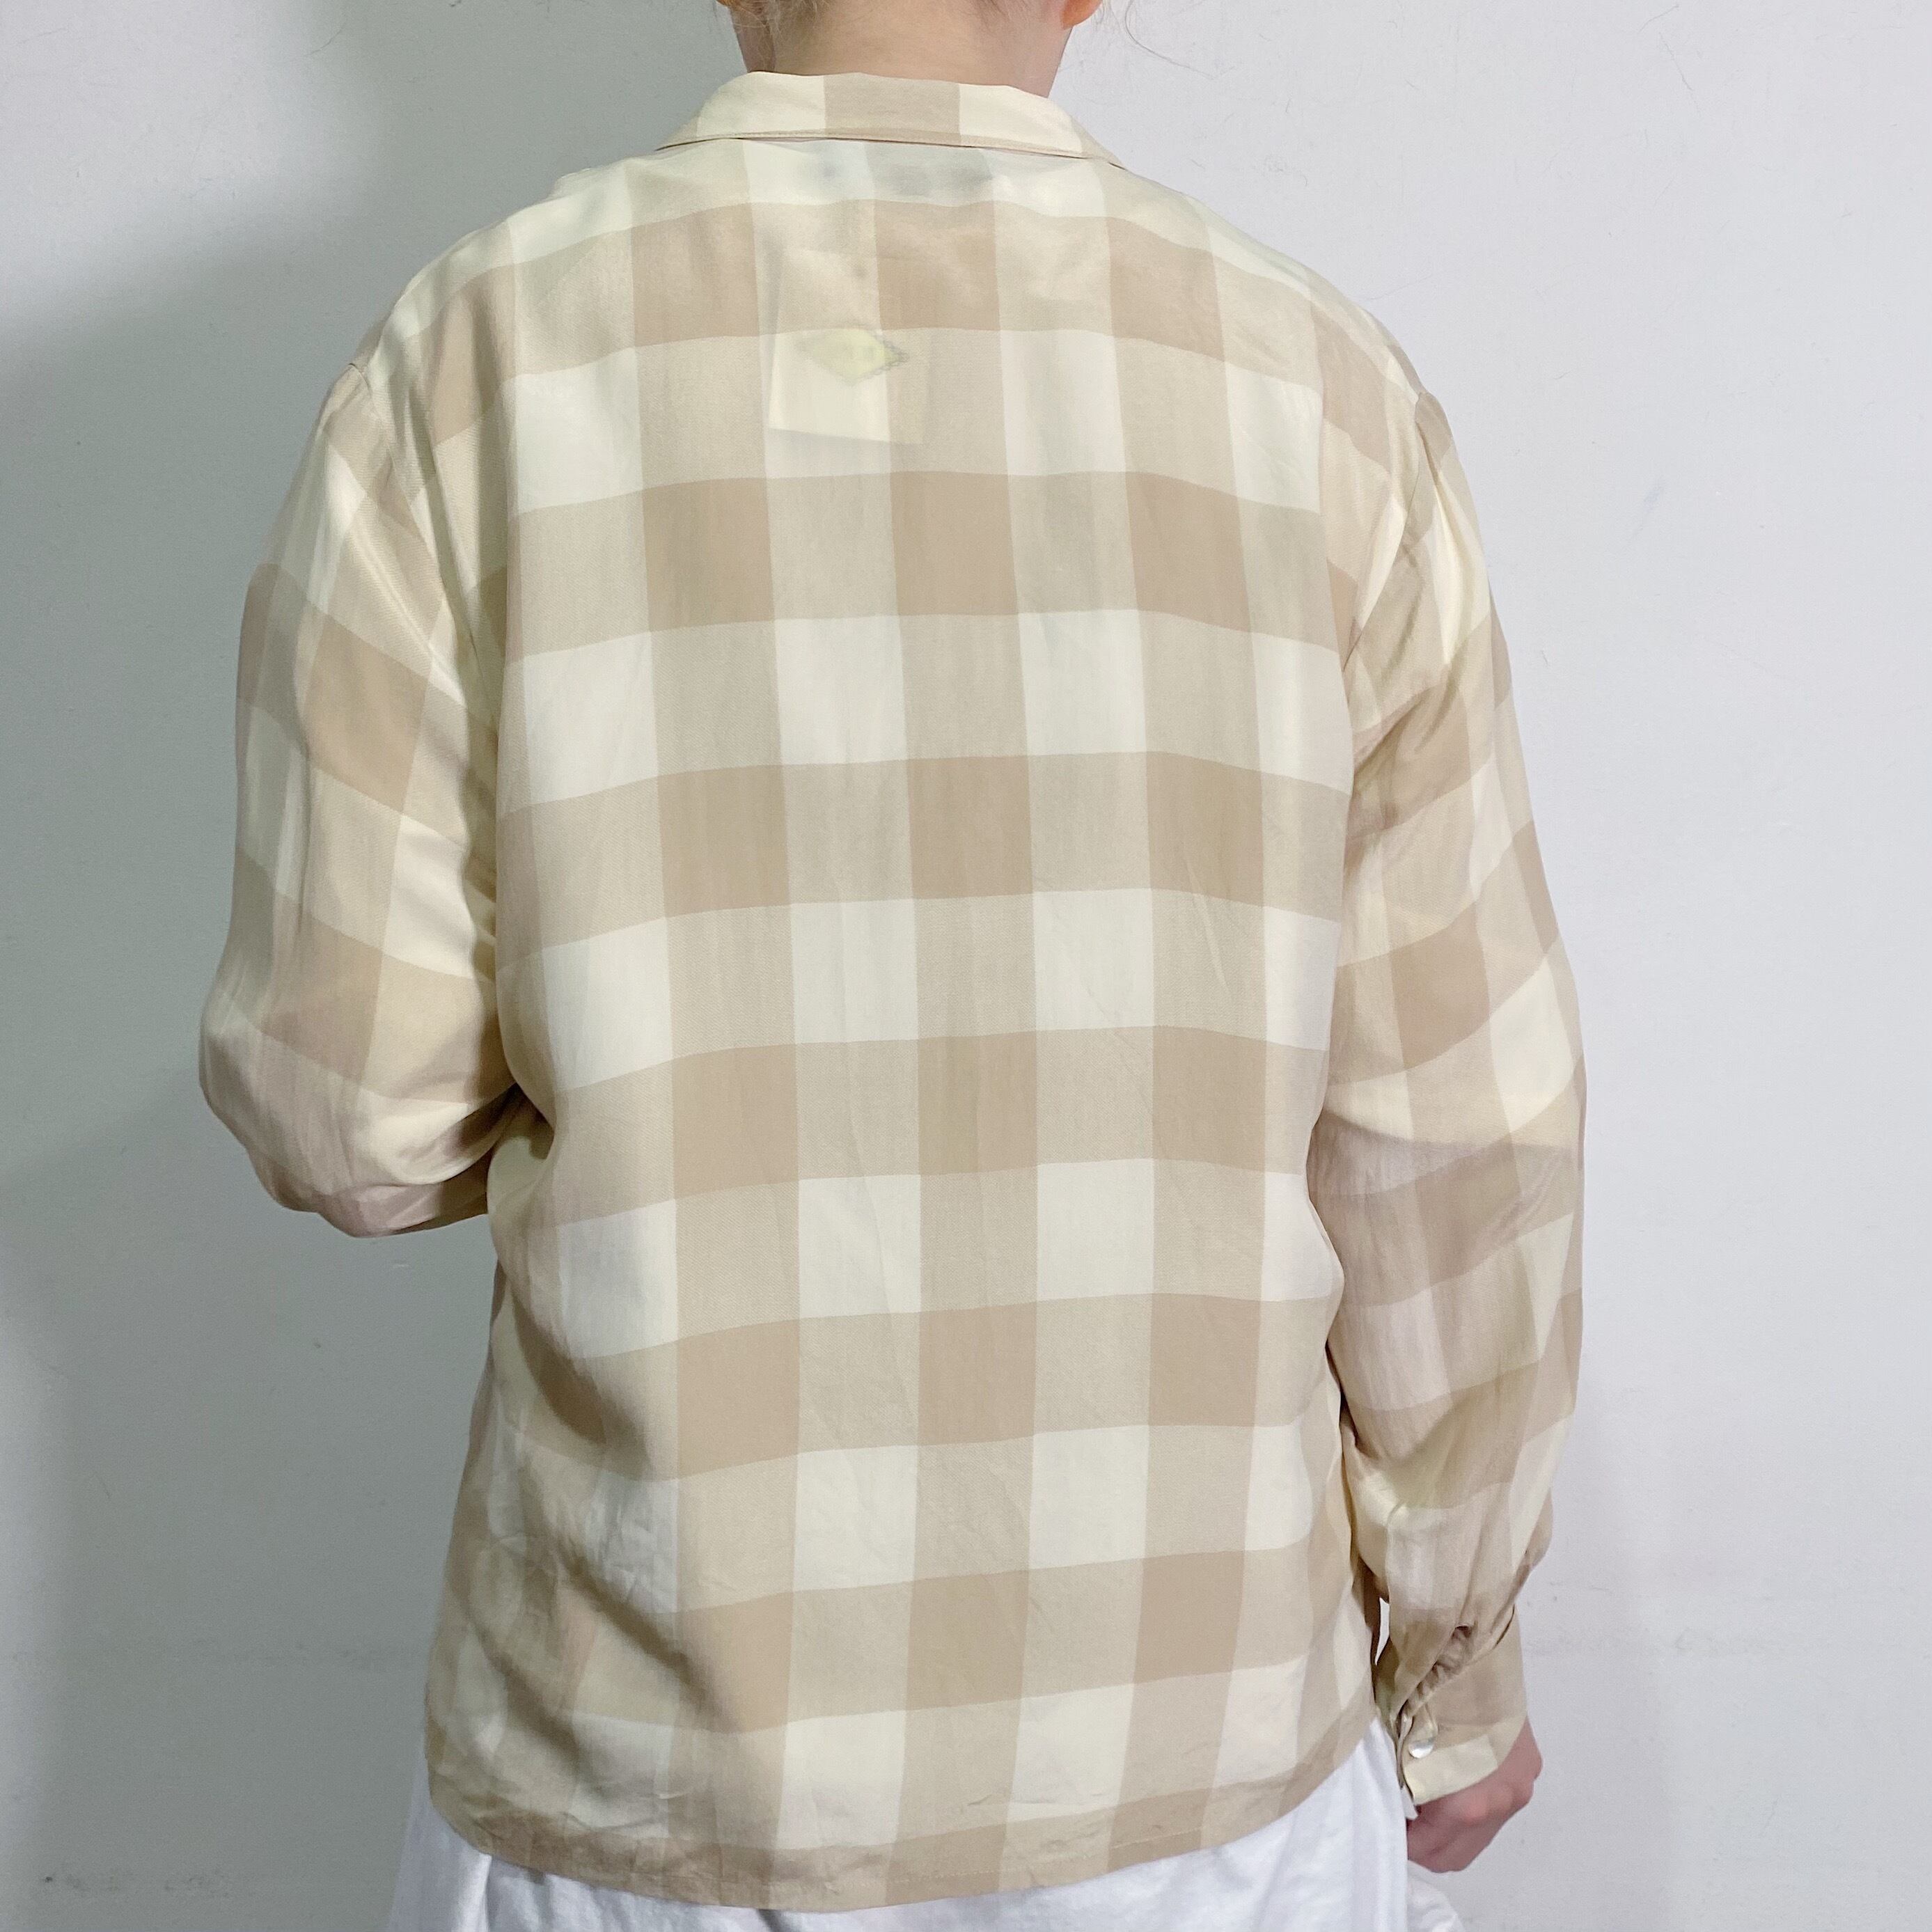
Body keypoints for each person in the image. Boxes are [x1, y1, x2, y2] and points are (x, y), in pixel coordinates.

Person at [195, 0, 1586, 1924]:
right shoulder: (1320, 397)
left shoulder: (467, 365)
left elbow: (342, 1108)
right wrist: (1457, 1665)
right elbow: (1460, 1141)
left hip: (647, 1773)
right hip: (1191, 1771)